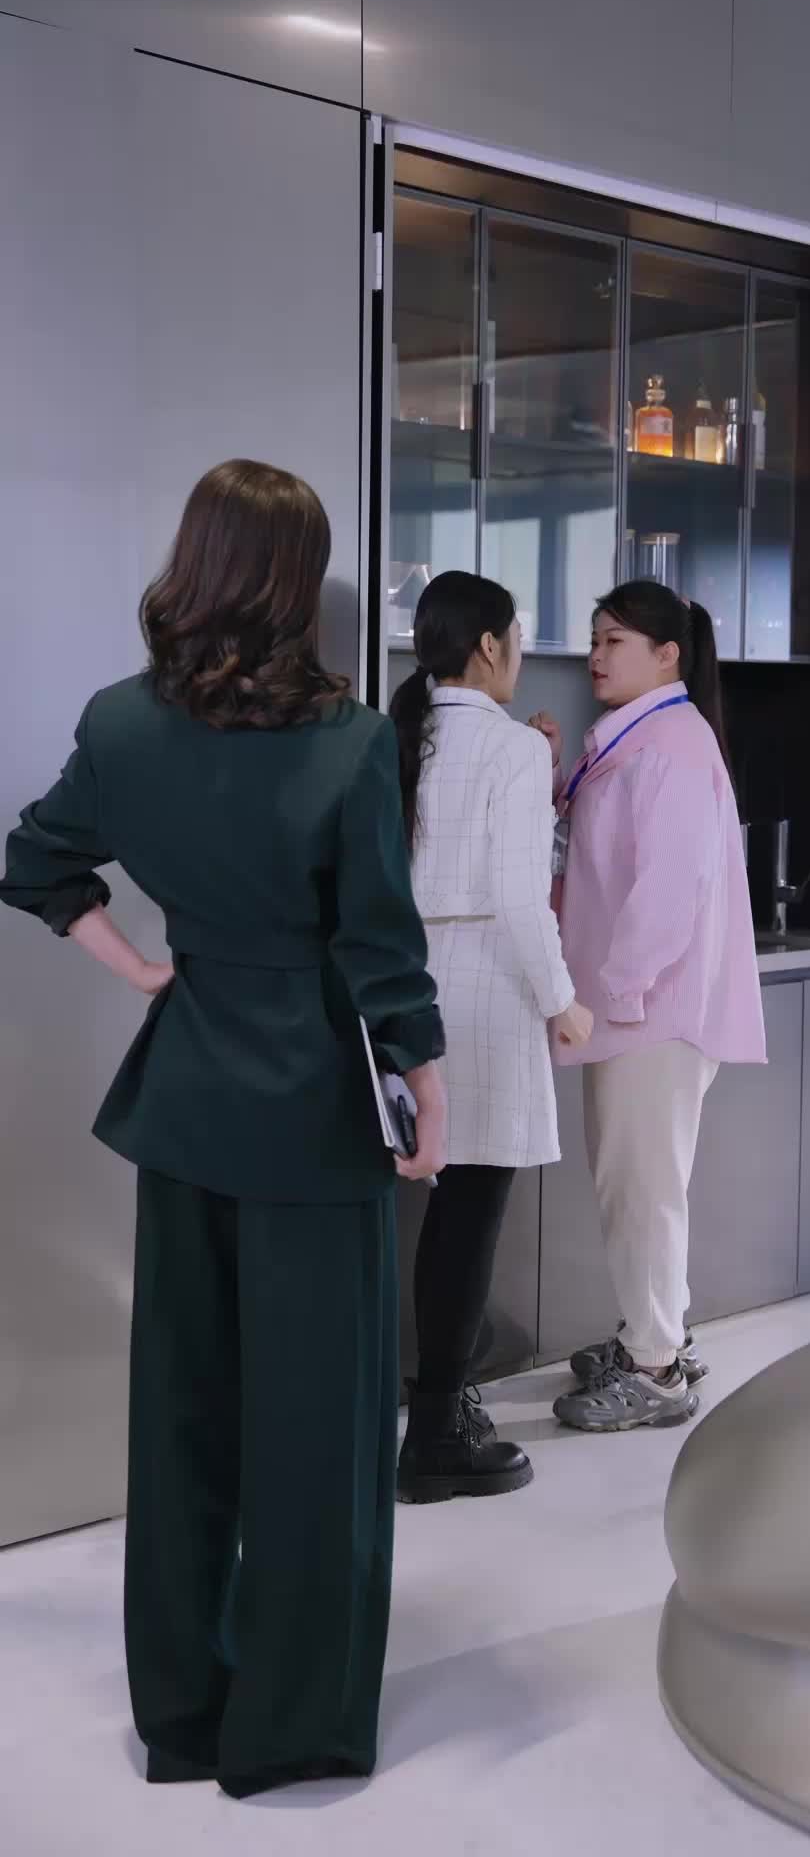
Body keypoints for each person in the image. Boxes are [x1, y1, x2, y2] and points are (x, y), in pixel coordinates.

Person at [0, 460, 447, 1797]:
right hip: (314, 1116)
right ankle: (293, 1722)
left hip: (188, 1104)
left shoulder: (120, 724)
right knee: (319, 1430)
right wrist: (428, 1094)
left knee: (185, 1418)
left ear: (194, 565)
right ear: (294, 583)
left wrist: (145, 971)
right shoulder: (353, 743)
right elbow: (381, 952)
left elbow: (35, 861)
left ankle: (185, 1715)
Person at [530, 581, 765, 1432]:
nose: (595, 656)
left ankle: (657, 1369)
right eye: (595, 639)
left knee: (641, 1189)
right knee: (640, 1182)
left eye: (614, 641)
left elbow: (670, 888)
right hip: (634, 1008)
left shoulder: (672, 744)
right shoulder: (640, 737)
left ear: (668, 655)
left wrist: (618, 991)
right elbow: (596, 855)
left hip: (647, 1011)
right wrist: (554, 777)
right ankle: (654, 1335)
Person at [389, 570, 592, 1502]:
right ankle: (437, 1432)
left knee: (410, 1213)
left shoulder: (393, 735)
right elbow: (518, 898)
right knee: (467, 1221)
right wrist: (562, 1000)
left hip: (398, 987)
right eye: (515, 638)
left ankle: (420, 1408)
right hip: (483, 993)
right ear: (487, 646)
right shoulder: (510, 750)